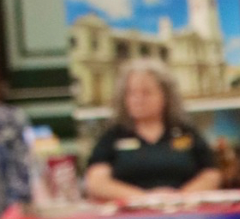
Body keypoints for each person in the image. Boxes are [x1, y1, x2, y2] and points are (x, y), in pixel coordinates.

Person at [84, 61, 219, 206]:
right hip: (129, 217)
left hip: (184, 212)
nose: (138, 99)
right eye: (131, 93)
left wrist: (179, 198)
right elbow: (96, 182)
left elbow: (210, 175)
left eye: (146, 92)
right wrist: (144, 199)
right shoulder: (113, 136)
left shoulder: (186, 132)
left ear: (166, 96)